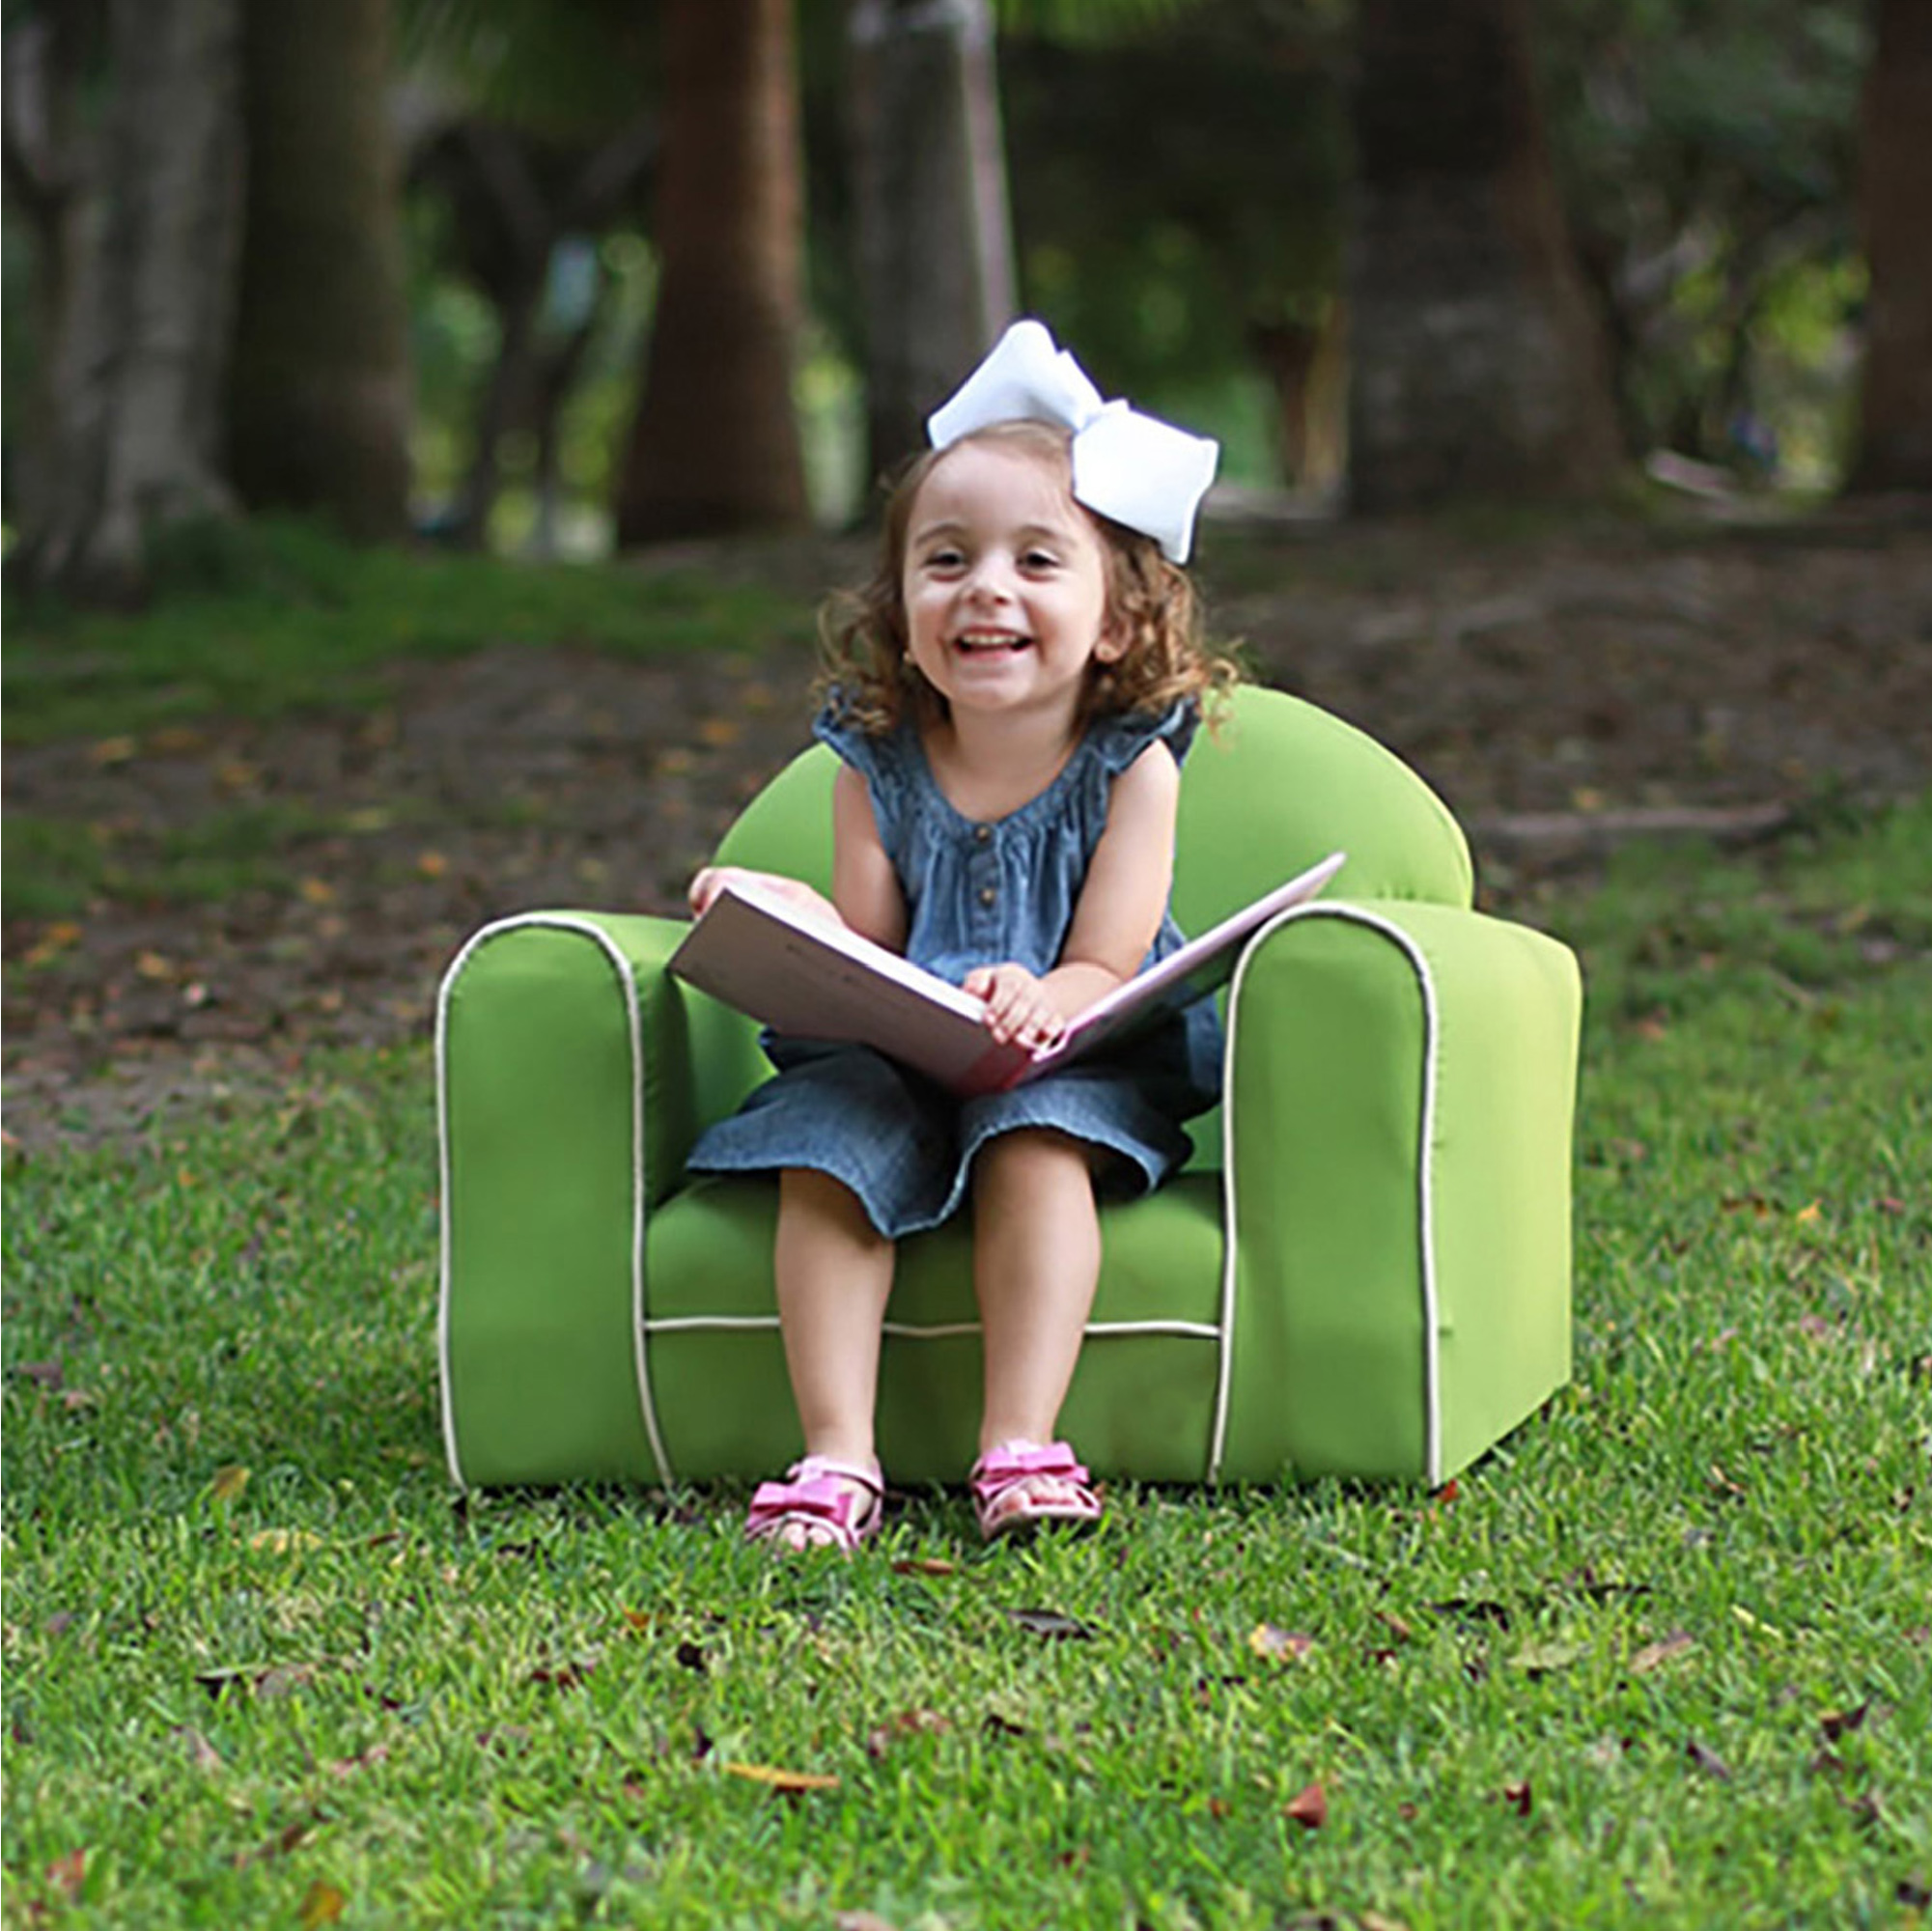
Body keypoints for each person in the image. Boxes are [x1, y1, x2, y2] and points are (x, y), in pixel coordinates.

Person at [685, 320, 1236, 1553]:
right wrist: (790, 924)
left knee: (1035, 1148)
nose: (986, 586)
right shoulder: (871, 764)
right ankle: (836, 1453)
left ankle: (1021, 1445)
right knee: (822, 1150)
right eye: (947, 559)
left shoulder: (1131, 767)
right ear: (904, 609)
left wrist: (1056, 992)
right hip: (908, 1045)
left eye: (1038, 560)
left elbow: (1114, 949)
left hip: (1066, 1050)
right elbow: (871, 943)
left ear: (1117, 623)